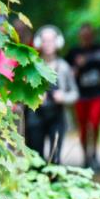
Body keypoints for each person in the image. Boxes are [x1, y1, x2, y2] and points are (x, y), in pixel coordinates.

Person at [25, 25, 78, 165]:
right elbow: (22, 92)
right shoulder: (32, 65)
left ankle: (54, 185)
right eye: (45, 41)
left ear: (58, 43)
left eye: (51, 40)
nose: (48, 44)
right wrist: (34, 98)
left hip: (57, 118)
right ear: (39, 43)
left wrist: (63, 97)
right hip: (35, 117)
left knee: (55, 159)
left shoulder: (64, 67)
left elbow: (75, 94)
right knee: (36, 160)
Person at [66, 23, 100, 171]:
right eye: (84, 35)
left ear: (92, 35)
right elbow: (67, 73)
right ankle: (86, 156)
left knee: (95, 123)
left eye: (89, 35)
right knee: (83, 127)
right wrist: (77, 67)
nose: (86, 38)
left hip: (97, 94)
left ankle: (94, 154)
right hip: (80, 95)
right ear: (80, 36)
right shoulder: (74, 52)